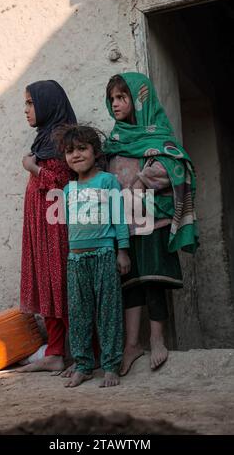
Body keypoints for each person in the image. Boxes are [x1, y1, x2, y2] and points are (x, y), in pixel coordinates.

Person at [104, 72, 199, 375]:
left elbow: (175, 166)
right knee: (130, 283)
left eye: (122, 97)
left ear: (138, 99)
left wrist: (141, 180)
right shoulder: (116, 140)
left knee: (154, 280)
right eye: (112, 99)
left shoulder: (157, 134)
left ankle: (157, 339)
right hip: (124, 227)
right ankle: (132, 344)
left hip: (153, 223)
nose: (115, 104)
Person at [61, 125, 131, 387]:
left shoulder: (107, 181)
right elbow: (69, 226)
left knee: (108, 312)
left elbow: (119, 217)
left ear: (95, 152)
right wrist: (69, 255)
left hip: (104, 255)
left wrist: (122, 251)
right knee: (78, 314)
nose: (76, 155)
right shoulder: (67, 191)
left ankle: (111, 365)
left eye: (82, 148)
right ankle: (83, 365)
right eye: (70, 151)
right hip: (76, 260)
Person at [19, 80, 77, 372]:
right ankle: (54, 353)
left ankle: (82, 354)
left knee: (63, 284)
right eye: (26, 104)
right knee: (46, 282)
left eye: (31, 103)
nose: (27, 110)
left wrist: (34, 169)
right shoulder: (43, 138)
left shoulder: (63, 139)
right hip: (40, 226)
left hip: (57, 225)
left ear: (48, 103)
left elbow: (66, 183)